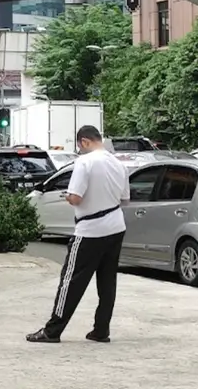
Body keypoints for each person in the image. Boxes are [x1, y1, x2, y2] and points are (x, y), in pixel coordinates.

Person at [27, 125, 129, 343]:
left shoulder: (85, 162)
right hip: (116, 226)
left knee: (70, 281)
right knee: (107, 282)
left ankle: (52, 330)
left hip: (90, 229)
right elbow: (125, 199)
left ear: (84, 142)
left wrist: (67, 196)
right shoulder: (119, 164)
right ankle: (101, 330)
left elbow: (76, 198)